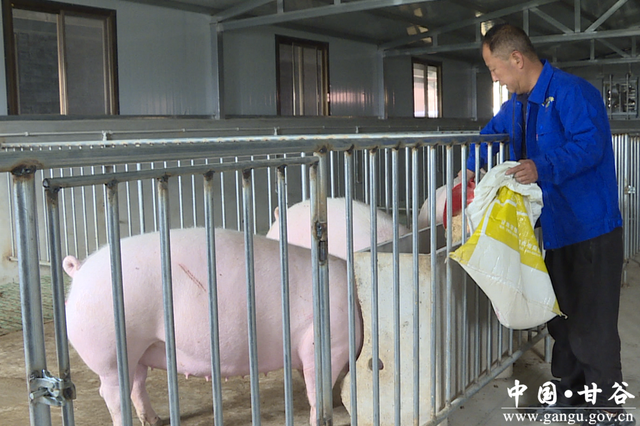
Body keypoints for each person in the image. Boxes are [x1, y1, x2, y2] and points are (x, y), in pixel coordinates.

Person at [463, 23, 634, 426]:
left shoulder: (575, 94)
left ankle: (608, 406)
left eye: (494, 70)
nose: (496, 79)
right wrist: (469, 169)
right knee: (562, 319)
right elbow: (489, 138)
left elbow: (590, 146)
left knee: (593, 323)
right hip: (556, 230)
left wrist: (541, 166)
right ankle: (573, 396)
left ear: (517, 60)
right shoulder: (518, 105)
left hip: (591, 228)